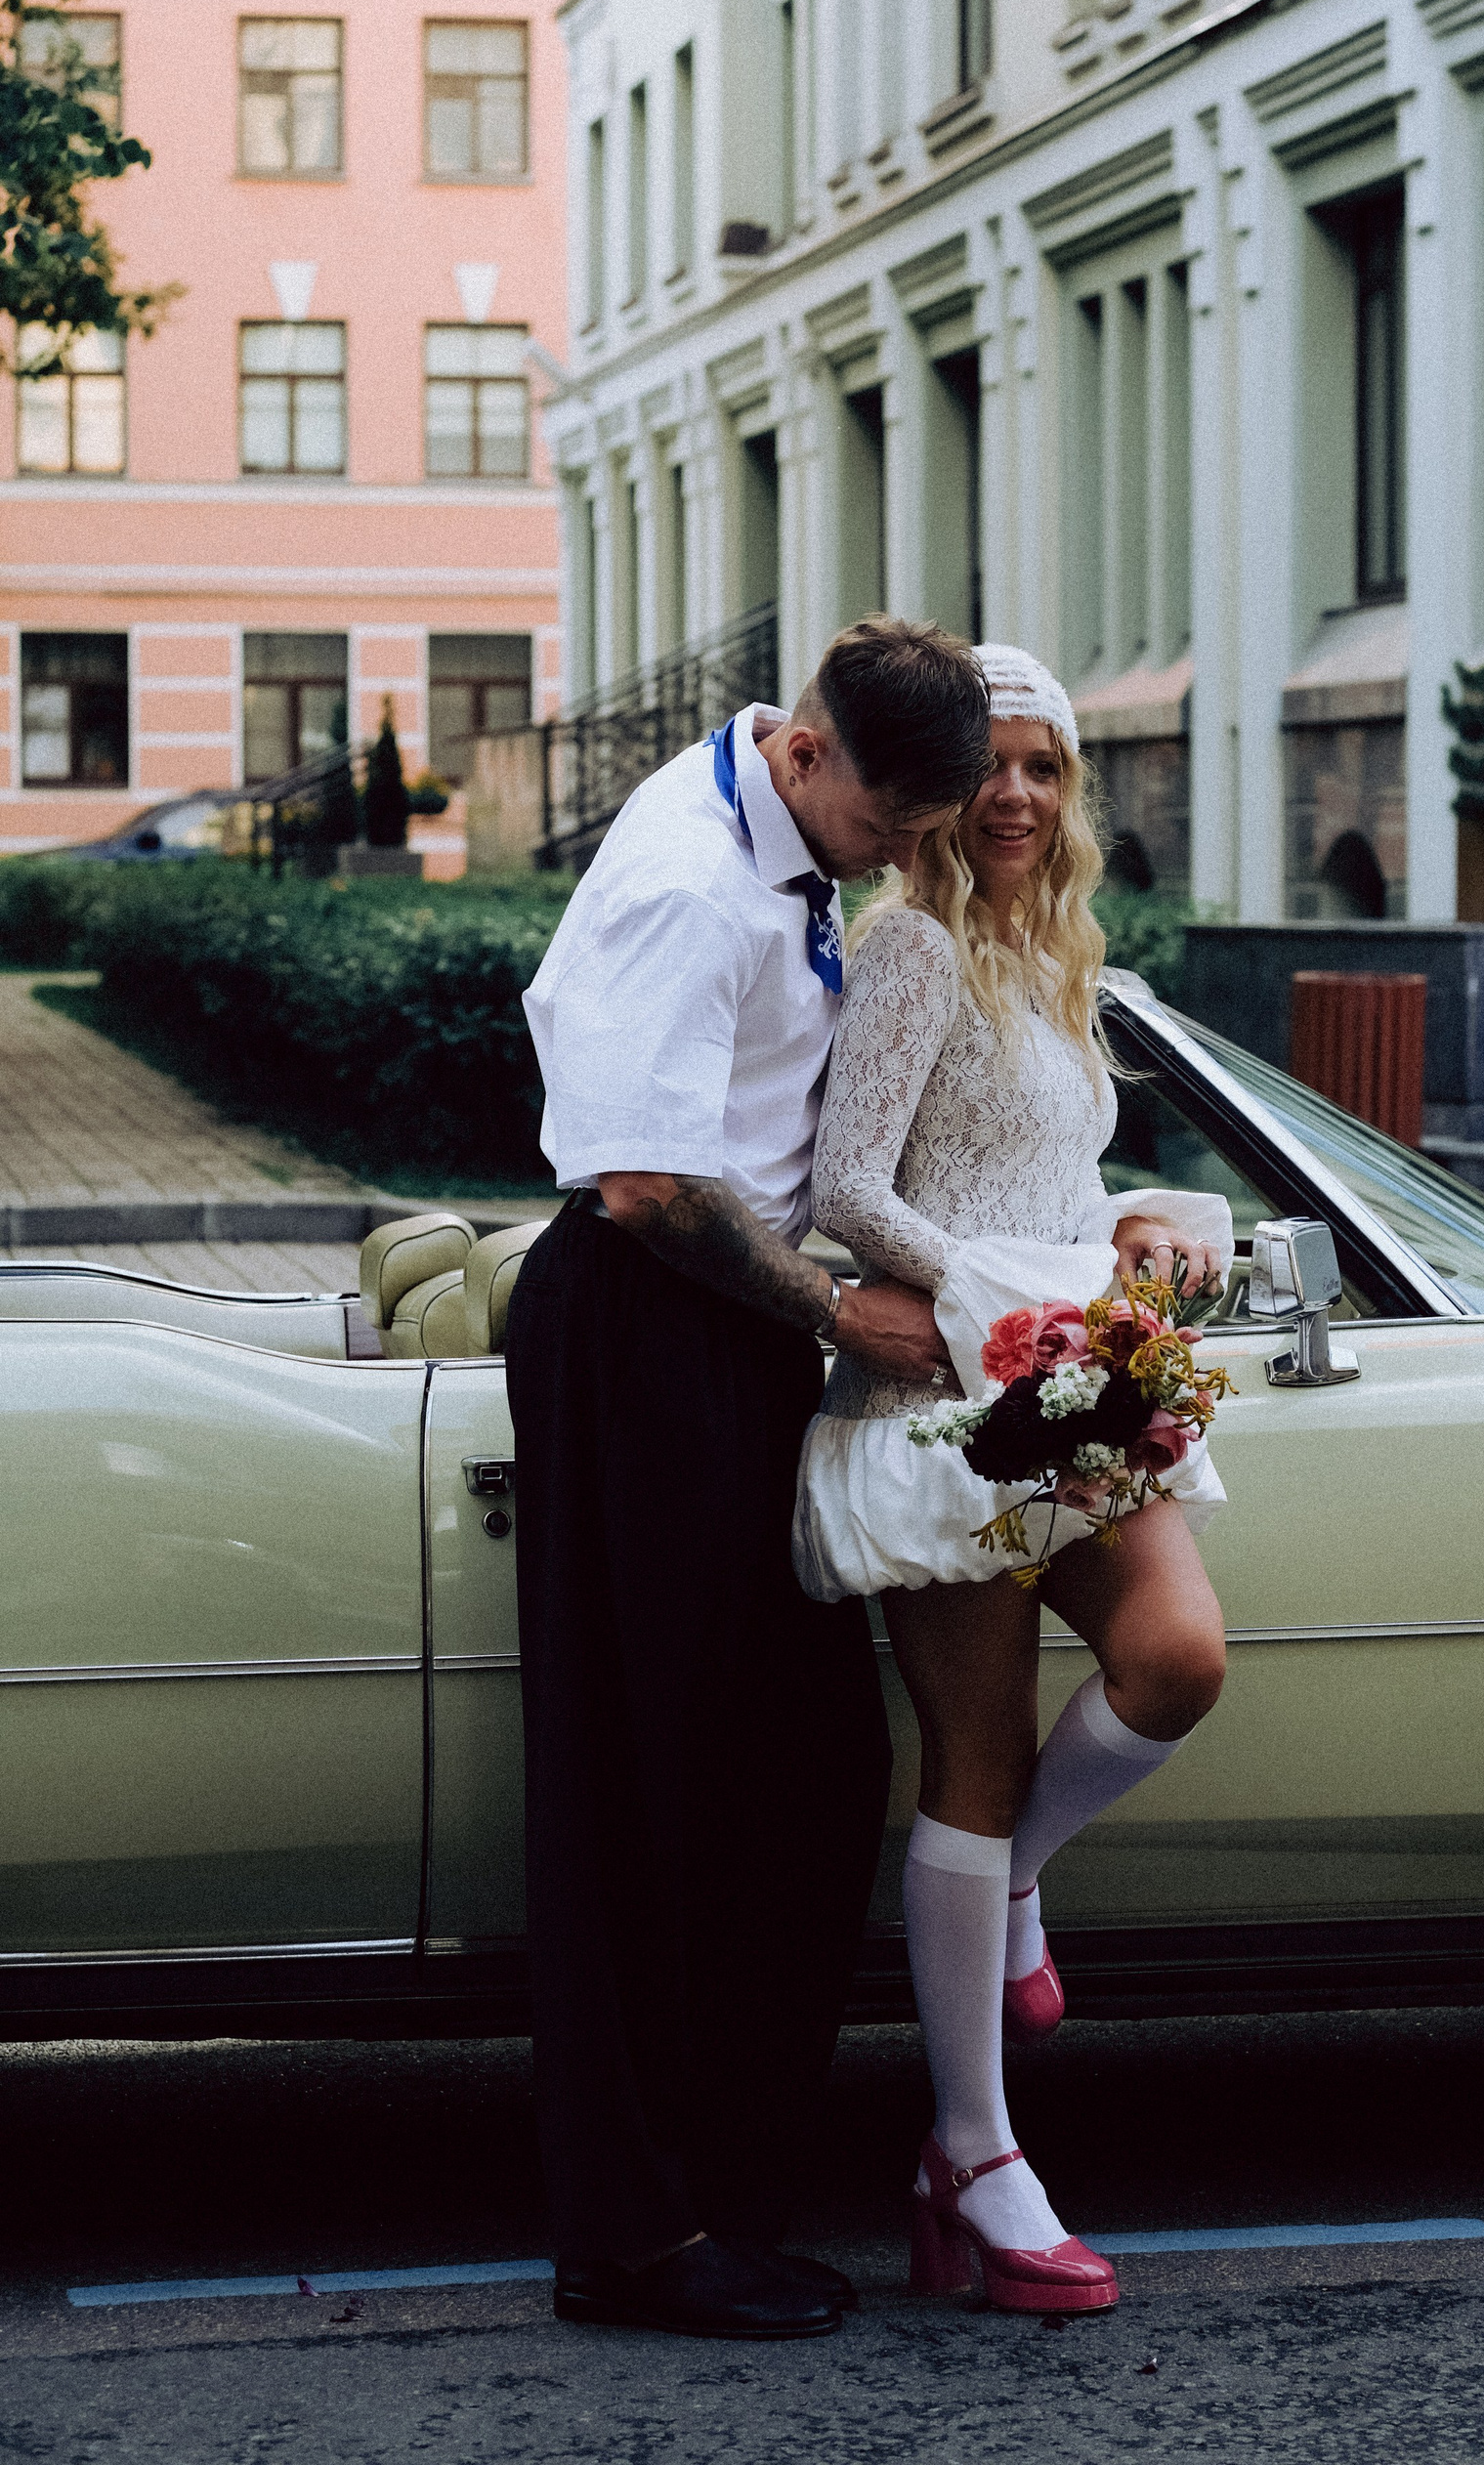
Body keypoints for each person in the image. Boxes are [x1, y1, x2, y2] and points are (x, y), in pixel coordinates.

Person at [505, 618, 994, 2342]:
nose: (897, 854)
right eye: (886, 823)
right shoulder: (690, 883)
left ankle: (718, 2196)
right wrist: (839, 1308)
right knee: (645, 1788)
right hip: (644, 1332)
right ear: (806, 751)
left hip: (722, 1331)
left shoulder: (779, 832)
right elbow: (645, 1186)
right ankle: (636, 2240)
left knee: (797, 1775)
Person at [793, 645, 1232, 2318]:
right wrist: (999, 1297)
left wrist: (1134, 1225)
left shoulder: (1058, 954)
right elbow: (849, 1193)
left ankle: (1023, 1879)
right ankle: (974, 2158)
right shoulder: (907, 944)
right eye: (992, 764)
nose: (1019, 795)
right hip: (945, 1402)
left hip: (1066, 1385)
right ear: (940, 786)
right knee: (971, 1759)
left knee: (1175, 1659)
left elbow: (1039, 1171)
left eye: (1046, 767)